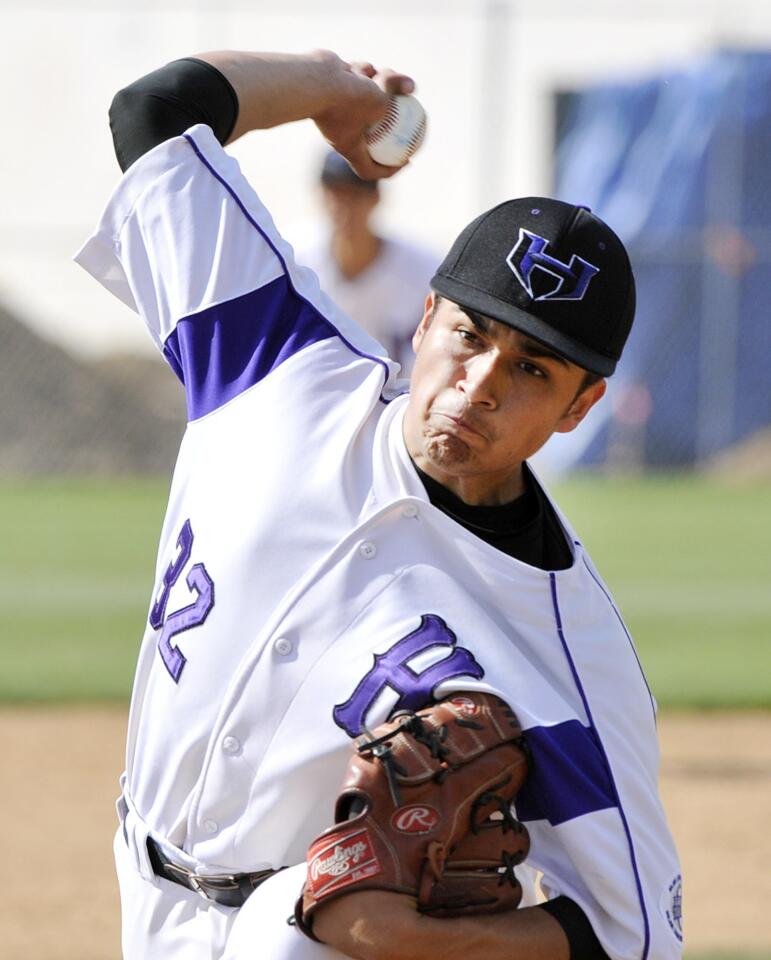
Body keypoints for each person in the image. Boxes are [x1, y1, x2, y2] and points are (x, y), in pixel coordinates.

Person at [76, 50, 683, 960]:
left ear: (578, 407)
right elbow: (155, 111)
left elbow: (631, 933)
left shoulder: (567, 655)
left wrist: (414, 939)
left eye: (530, 369)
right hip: (139, 883)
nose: (477, 385)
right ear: (427, 315)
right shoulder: (272, 367)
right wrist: (334, 93)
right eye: (469, 335)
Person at [293, 149, 438, 375]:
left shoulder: (423, 271)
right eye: (336, 193)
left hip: (390, 397)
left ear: (375, 198)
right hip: (317, 389)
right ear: (322, 194)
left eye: (355, 194)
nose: (344, 206)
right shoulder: (295, 261)